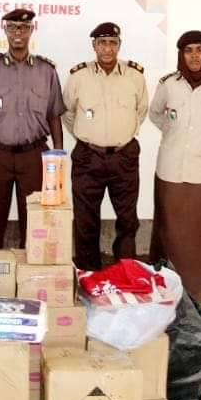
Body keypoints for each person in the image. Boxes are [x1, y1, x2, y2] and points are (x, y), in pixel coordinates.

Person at [0, 9, 64, 249]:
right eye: (12, 28)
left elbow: (54, 115)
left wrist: (57, 160)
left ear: (32, 30)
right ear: (5, 31)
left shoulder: (46, 71)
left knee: (35, 222)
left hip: (34, 156)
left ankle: (30, 276)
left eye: (23, 28)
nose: (18, 33)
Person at [62, 22, 148, 270]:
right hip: (89, 157)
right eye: (102, 43)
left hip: (124, 156)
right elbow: (68, 113)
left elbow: (140, 112)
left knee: (128, 220)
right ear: (94, 46)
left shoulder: (135, 76)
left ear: (119, 45)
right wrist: (88, 136)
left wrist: (121, 134)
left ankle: (126, 273)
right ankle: (89, 275)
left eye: (112, 43)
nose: (107, 49)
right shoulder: (79, 77)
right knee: (86, 221)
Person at [148, 30, 201, 297]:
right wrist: (172, 134)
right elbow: (155, 114)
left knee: (197, 235)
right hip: (170, 168)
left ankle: (192, 290)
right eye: (189, 50)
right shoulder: (168, 85)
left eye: (199, 50)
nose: (195, 56)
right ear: (181, 54)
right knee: (168, 232)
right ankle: (164, 286)